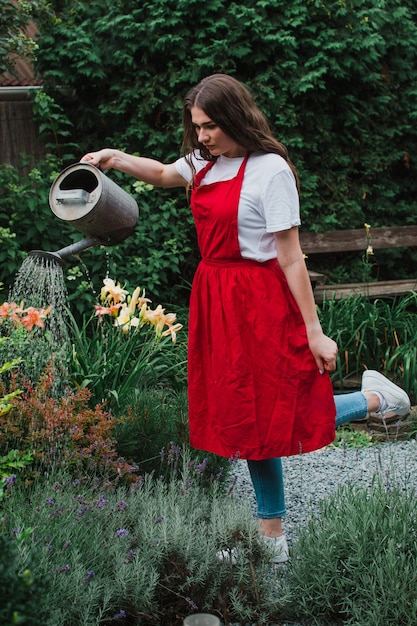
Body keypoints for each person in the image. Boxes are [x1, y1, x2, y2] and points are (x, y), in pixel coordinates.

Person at [81, 74, 411, 564]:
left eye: (210, 126)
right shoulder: (203, 164)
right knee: (242, 413)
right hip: (216, 297)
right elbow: (165, 174)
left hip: (261, 301)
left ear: (236, 118)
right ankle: (275, 533)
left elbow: (291, 258)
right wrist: (116, 159)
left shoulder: (270, 170)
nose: (201, 137)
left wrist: (314, 332)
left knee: (276, 408)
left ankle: (375, 401)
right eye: (196, 127)